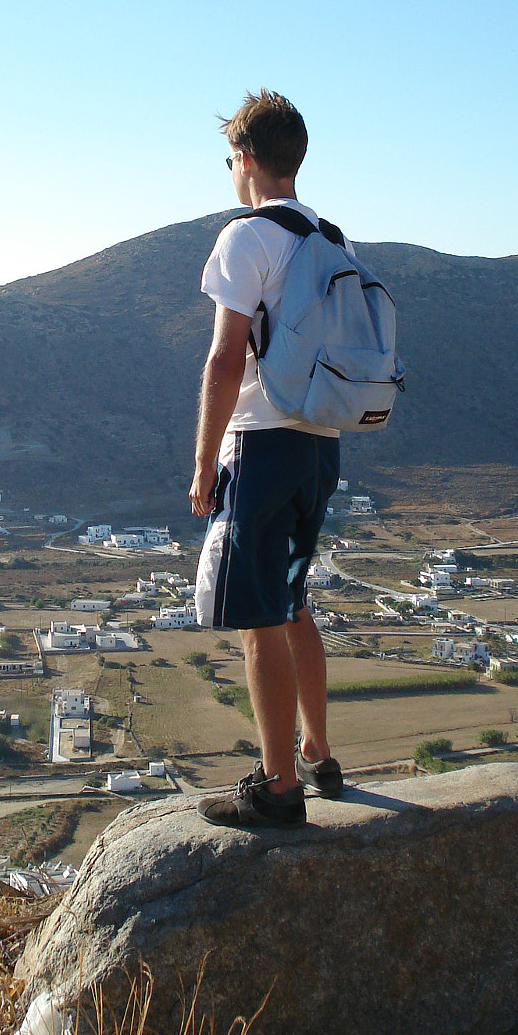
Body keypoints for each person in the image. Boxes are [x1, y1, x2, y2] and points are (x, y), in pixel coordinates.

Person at [189, 89, 347, 829]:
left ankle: (279, 788)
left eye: (229, 159)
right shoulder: (332, 238)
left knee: (257, 617)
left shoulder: (245, 237)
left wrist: (201, 462)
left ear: (245, 160)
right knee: (294, 603)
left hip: (260, 443)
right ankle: (317, 754)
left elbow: (226, 360)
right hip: (320, 445)